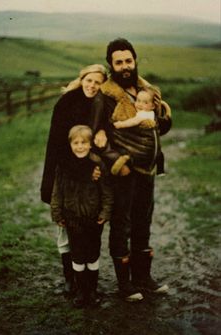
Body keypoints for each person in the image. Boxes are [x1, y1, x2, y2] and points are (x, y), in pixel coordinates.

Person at [99, 38, 172, 301]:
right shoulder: (105, 96)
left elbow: (157, 127)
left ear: (135, 60)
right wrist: (118, 162)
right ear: (111, 65)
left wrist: (163, 115)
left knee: (144, 222)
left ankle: (144, 279)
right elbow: (101, 136)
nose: (125, 66)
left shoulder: (146, 90)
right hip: (124, 173)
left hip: (148, 171)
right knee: (122, 224)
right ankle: (125, 285)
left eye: (128, 60)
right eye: (119, 62)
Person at [40, 64, 108, 295]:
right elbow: (58, 144)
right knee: (66, 229)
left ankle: (85, 280)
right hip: (64, 172)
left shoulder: (99, 103)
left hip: (88, 178)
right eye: (89, 80)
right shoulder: (67, 101)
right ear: (82, 79)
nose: (92, 85)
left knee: (85, 230)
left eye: (98, 82)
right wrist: (83, 171)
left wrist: (102, 132)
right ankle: (70, 278)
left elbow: (100, 131)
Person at [50, 125, 113, 307]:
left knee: (92, 253)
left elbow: (106, 191)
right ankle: (80, 291)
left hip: (93, 218)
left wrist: (105, 212)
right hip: (72, 218)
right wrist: (57, 212)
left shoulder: (97, 163)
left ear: (90, 144)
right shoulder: (64, 164)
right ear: (70, 144)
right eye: (76, 143)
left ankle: (92, 291)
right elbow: (57, 191)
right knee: (77, 255)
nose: (80, 146)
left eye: (83, 142)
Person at [113, 86, 170, 175]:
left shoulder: (143, 114)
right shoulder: (152, 114)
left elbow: (133, 122)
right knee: (159, 155)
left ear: (153, 106)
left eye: (145, 102)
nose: (140, 104)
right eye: (138, 100)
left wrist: (120, 124)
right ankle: (160, 171)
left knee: (135, 156)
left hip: (146, 147)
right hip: (156, 148)